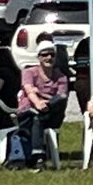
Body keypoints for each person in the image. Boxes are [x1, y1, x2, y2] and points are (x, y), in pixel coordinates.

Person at [17, 41, 69, 171]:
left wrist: (41, 96)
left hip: (52, 113)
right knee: (36, 118)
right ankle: (38, 158)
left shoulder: (61, 76)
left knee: (57, 102)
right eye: (45, 55)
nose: (49, 58)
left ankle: (37, 157)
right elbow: (28, 90)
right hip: (29, 111)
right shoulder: (29, 72)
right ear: (38, 57)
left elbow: (62, 96)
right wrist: (38, 103)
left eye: (52, 55)